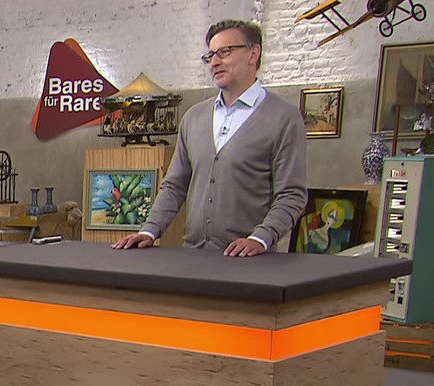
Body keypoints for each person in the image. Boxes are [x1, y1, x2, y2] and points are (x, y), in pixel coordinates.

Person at [112, 19, 306, 257]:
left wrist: (261, 238)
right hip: (193, 257)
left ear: (253, 53)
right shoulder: (194, 118)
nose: (214, 62)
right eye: (210, 55)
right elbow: (174, 186)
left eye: (225, 52)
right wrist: (149, 230)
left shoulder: (283, 118)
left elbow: (291, 195)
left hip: (249, 262)